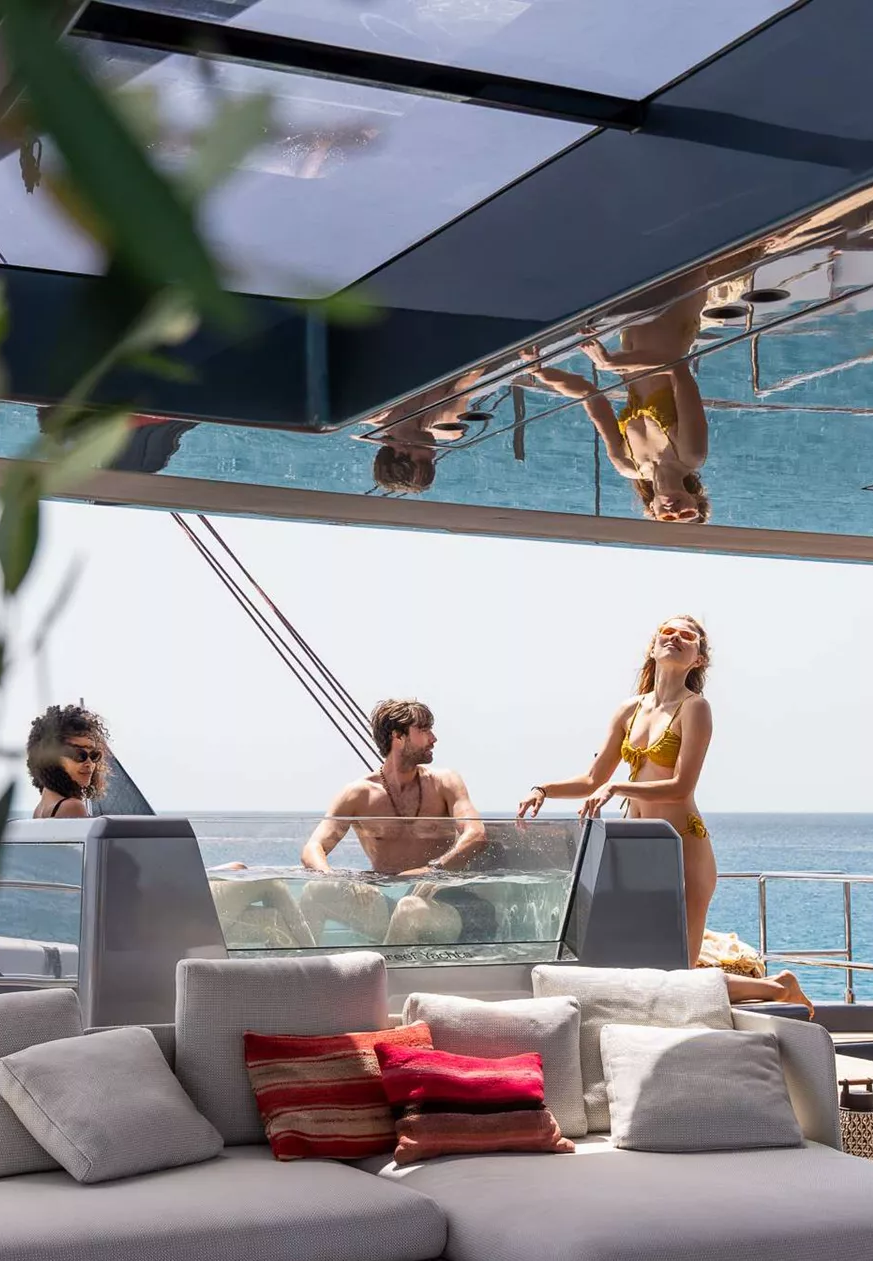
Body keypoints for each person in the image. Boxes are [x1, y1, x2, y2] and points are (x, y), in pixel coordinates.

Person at [516, 616, 810, 1012]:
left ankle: (778, 988)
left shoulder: (695, 708)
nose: (675, 638)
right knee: (642, 963)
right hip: (638, 853)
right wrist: (543, 789)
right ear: (652, 648)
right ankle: (776, 987)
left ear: (698, 659)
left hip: (683, 847)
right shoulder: (629, 710)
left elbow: (681, 786)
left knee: (679, 973)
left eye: (687, 636)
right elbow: (592, 779)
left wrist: (619, 787)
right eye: (667, 632)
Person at [299, 699, 490, 945]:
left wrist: (433, 871)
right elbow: (313, 848)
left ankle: (380, 969)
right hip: (392, 903)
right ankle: (303, 967)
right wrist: (337, 880)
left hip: (449, 903)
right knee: (316, 892)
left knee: (409, 909)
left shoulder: (445, 782)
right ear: (397, 736)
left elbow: (476, 835)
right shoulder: (358, 794)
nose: (433, 738)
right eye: (424, 730)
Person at [521, 296, 710, 523]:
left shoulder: (627, 464)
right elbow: (677, 369)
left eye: (668, 518)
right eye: (687, 513)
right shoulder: (691, 455)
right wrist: (610, 363)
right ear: (696, 500)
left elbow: (591, 397)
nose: (675, 510)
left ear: (653, 509)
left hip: (630, 335)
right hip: (671, 325)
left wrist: (539, 372)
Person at [26, 704, 111, 818]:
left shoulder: (39, 809)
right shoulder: (72, 807)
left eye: (94, 755)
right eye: (79, 754)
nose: (89, 763)